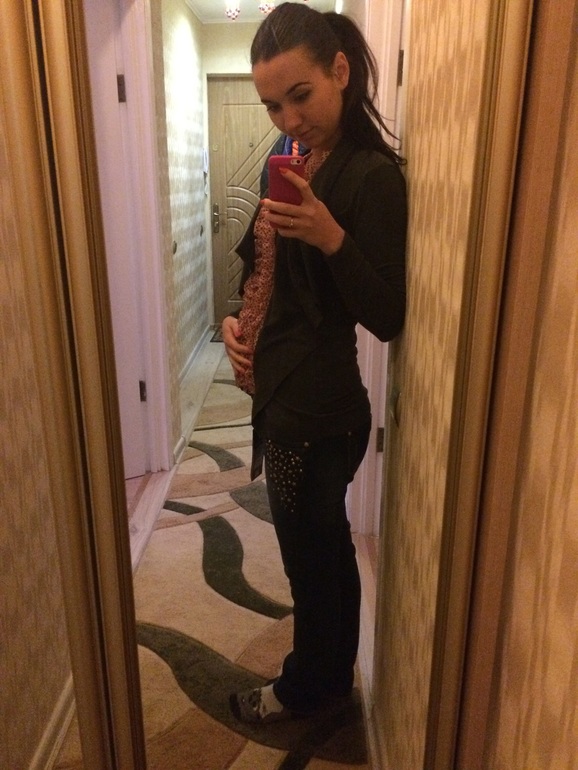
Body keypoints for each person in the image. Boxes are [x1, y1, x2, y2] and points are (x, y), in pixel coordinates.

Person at [223, 1, 407, 723]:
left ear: (341, 71)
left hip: (318, 411)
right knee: (323, 552)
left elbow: (387, 315)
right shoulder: (294, 162)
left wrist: (332, 237)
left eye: (300, 96)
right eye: (274, 105)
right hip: (287, 396)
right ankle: (330, 681)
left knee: (312, 564)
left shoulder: (371, 177)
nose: (289, 119)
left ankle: (305, 688)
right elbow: (259, 264)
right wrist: (237, 321)